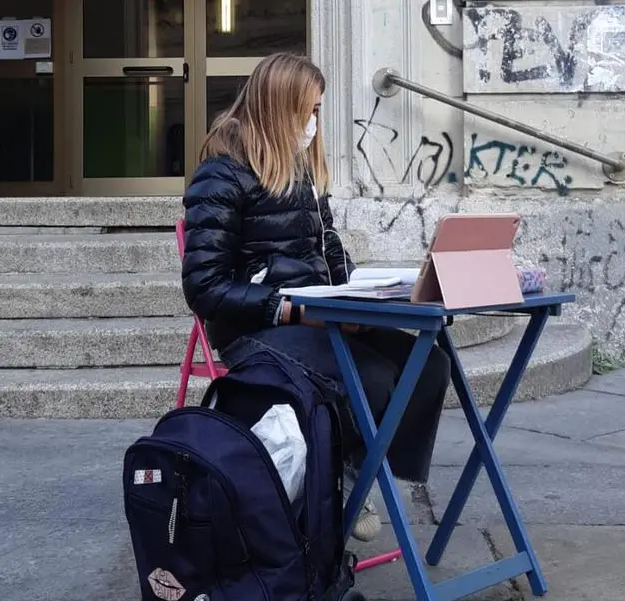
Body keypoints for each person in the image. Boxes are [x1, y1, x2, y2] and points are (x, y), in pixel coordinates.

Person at [181, 52, 451, 543]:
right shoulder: (220, 175)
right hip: (256, 328)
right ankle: (342, 478)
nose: (314, 122)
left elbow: (330, 250)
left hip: (321, 314)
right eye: (309, 110)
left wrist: (366, 295)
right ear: (278, 107)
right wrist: (287, 309)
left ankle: (360, 470)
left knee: (428, 364)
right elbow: (204, 287)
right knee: (370, 378)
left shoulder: (302, 170)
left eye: (318, 110)